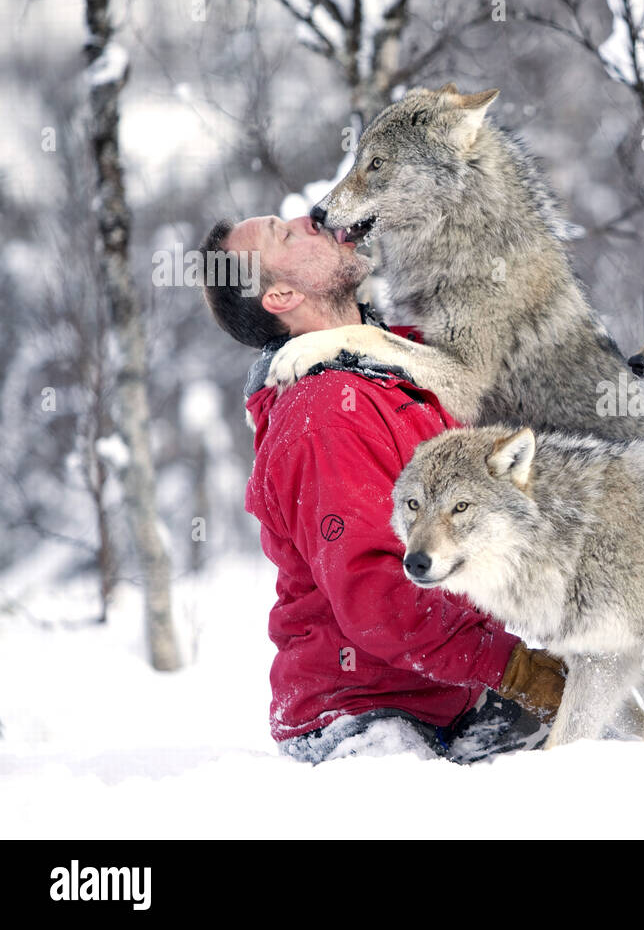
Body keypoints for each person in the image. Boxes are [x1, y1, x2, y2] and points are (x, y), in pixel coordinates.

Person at [200, 213, 565, 764]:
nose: (310, 219)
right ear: (280, 294)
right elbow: (378, 596)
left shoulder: (400, 369)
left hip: (448, 696)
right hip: (365, 720)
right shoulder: (323, 414)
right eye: (286, 234)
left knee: (613, 735)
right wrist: (511, 667)